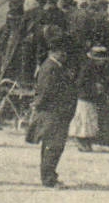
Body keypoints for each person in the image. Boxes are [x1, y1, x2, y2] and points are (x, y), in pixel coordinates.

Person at [27, 37, 78, 187]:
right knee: (52, 146)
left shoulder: (54, 66)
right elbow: (45, 90)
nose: (64, 55)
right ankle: (49, 178)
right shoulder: (50, 67)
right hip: (53, 113)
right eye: (62, 52)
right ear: (54, 52)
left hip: (57, 112)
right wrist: (39, 106)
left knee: (54, 146)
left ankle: (50, 176)